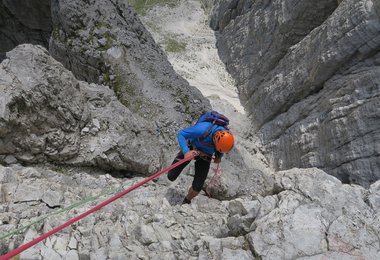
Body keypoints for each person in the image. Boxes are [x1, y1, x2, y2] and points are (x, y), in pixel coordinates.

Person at [167, 113, 234, 204]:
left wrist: (219, 157)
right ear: (215, 140)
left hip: (205, 155)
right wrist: (186, 152)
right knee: (171, 176)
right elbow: (181, 134)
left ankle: (186, 201)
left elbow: (220, 149)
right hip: (191, 147)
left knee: (197, 187)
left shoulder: (225, 138)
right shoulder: (202, 129)